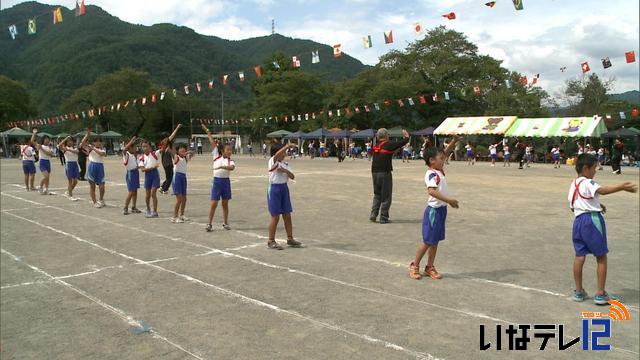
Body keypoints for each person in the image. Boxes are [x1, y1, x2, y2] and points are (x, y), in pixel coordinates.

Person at [568, 153, 637, 304]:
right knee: (601, 257)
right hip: (592, 221)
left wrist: (597, 205)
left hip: (578, 221)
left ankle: (579, 292)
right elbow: (603, 190)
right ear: (586, 168)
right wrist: (622, 187)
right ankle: (600, 294)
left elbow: (575, 205)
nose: (595, 171)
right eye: (594, 168)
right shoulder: (588, 182)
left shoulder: (573, 184)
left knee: (580, 256)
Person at [409, 135, 460, 280]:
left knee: (435, 241)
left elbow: (444, 152)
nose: (444, 159)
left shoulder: (439, 170)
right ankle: (415, 265)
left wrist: (454, 141)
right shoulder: (431, 174)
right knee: (427, 241)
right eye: (441, 158)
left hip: (441, 210)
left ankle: (429, 267)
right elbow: (431, 191)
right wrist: (449, 200)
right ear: (432, 161)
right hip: (433, 211)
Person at [266, 143, 303, 250]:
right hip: (274, 189)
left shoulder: (285, 164)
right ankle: (271, 240)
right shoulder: (272, 161)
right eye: (283, 152)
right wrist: (287, 146)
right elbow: (277, 154)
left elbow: (292, 176)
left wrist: (285, 170)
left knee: (287, 214)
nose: (284, 154)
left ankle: (290, 238)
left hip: (284, 189)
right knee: (275, 216)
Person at [369, 128, 410, 224]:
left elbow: (387, 153)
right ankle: (383, 217)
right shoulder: (388, 144)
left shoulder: (376, 145)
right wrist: (407, 137)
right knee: (386, 195)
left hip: (374, 172)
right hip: (385, 172)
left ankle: (373, 215)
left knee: (377, 194)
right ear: (386, 136)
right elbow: (401, 143)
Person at [206, 143, 235, 231]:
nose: (230, 151)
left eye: (231, 150)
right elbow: (212, 142)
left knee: (225, 204)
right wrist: (208, 132)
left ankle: (225, 223)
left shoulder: (230, 161)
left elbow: (232, 167)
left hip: (226, 182)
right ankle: (209, 223)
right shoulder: (216, 156)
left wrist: (222, 166)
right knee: (214, 203)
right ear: (222, 151)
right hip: (217, 182)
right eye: (228, 150)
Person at [80, 131, 107, 208]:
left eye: (99, 141)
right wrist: (87, 135)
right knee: (92, 186)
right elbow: (82, 143)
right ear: (93, 142)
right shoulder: (90, 148)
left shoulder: (102, 149)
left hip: (100, 167)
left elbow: (102, 154)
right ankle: (95, 202)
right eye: (96, 141)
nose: (98, 143)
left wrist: (93, 148)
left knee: (102, 185)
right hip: (92, 166)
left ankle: (101, 199)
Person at [171, 144, 194, 223]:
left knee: (184, 198)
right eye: (181, 149)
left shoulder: (185, 158)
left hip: (183, 177)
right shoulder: (176, 157)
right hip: (177, 177)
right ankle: (174, 217)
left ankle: (182, 215)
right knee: (179, 199)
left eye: (184, 149)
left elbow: (193, 153)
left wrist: (188, 152)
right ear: (177, 151)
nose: (183, 150)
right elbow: (171, 151)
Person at [139, 140, 162, 218]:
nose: (145, 148)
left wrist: (167, 140)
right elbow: (142, 169)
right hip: (148, 176)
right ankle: (148, 208)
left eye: (146, 146)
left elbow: (164, 146)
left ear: (150, 147)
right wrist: (152, 167)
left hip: (155, 175)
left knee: (153, 193)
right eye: (143, 147)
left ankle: (155, 211)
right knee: (147, 195)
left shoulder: (155, 153)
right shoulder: (141, 158)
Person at [30, 129, 54, 194]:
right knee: (46, 176)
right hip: (42, 162)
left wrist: (42, 149)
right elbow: (32, 141)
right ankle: (40, 186)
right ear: (43, 140)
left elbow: (50, 154)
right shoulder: (40, 145)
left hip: (48, 162)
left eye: (48, 139)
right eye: (46, 139)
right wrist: (34, 133)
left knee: (47, 177)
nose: (47, 140)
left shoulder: (50, 147)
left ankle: (46, 189)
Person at [159, 125, 182, 194]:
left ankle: (162, 187)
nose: (168, 138)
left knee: (168, 177)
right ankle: (165, 189)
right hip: (168, 163)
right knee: (170, 177)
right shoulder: (165, 142)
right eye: (167, 137)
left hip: (165, 163)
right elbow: (172, 135)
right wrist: (177, 128)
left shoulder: (163, 144)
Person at [122, 136, 142, 215]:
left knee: (135, 191)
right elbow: (124, 150)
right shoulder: (126, 154)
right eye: (134, 148)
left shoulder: (134, 155)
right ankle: (125, 207)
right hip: (130, 173)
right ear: (130, 148)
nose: (135, 149)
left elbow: (138, 164)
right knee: (131, 191)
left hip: (135, 173)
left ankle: (133, 207)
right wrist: (131, 142)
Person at [58, 136, 80, 201]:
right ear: (66, 142)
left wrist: (69, 149)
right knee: (70, 181)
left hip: (75, 164)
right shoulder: (64, 148)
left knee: (75, 181)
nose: (70, 142)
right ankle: (70, 195)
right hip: (69, 164)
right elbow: (59, 145)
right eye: (68, 141)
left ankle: (68, 191)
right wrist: (65, 139)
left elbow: (77, 152)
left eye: (71, 141)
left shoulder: (75, 148)